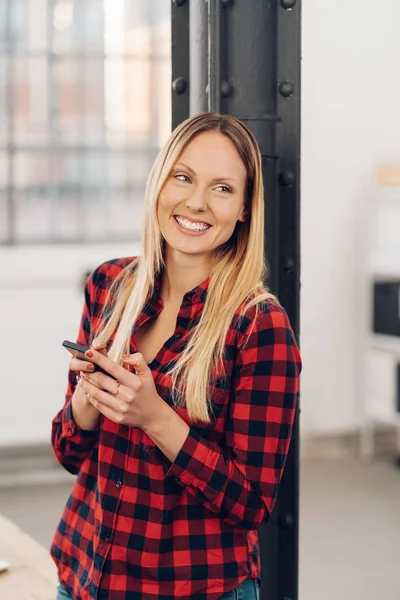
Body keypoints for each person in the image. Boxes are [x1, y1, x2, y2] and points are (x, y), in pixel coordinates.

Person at [51, 112, 302, 600]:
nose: (196, 202)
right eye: (183, 177)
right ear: (159, 183)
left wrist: (154, 417)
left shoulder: (259, 327)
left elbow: (251, 504)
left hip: (193, 589)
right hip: (86, 577)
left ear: (246, 208)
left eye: (223, 188)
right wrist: (88, 398)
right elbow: (68, 453)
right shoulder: (109, 285)